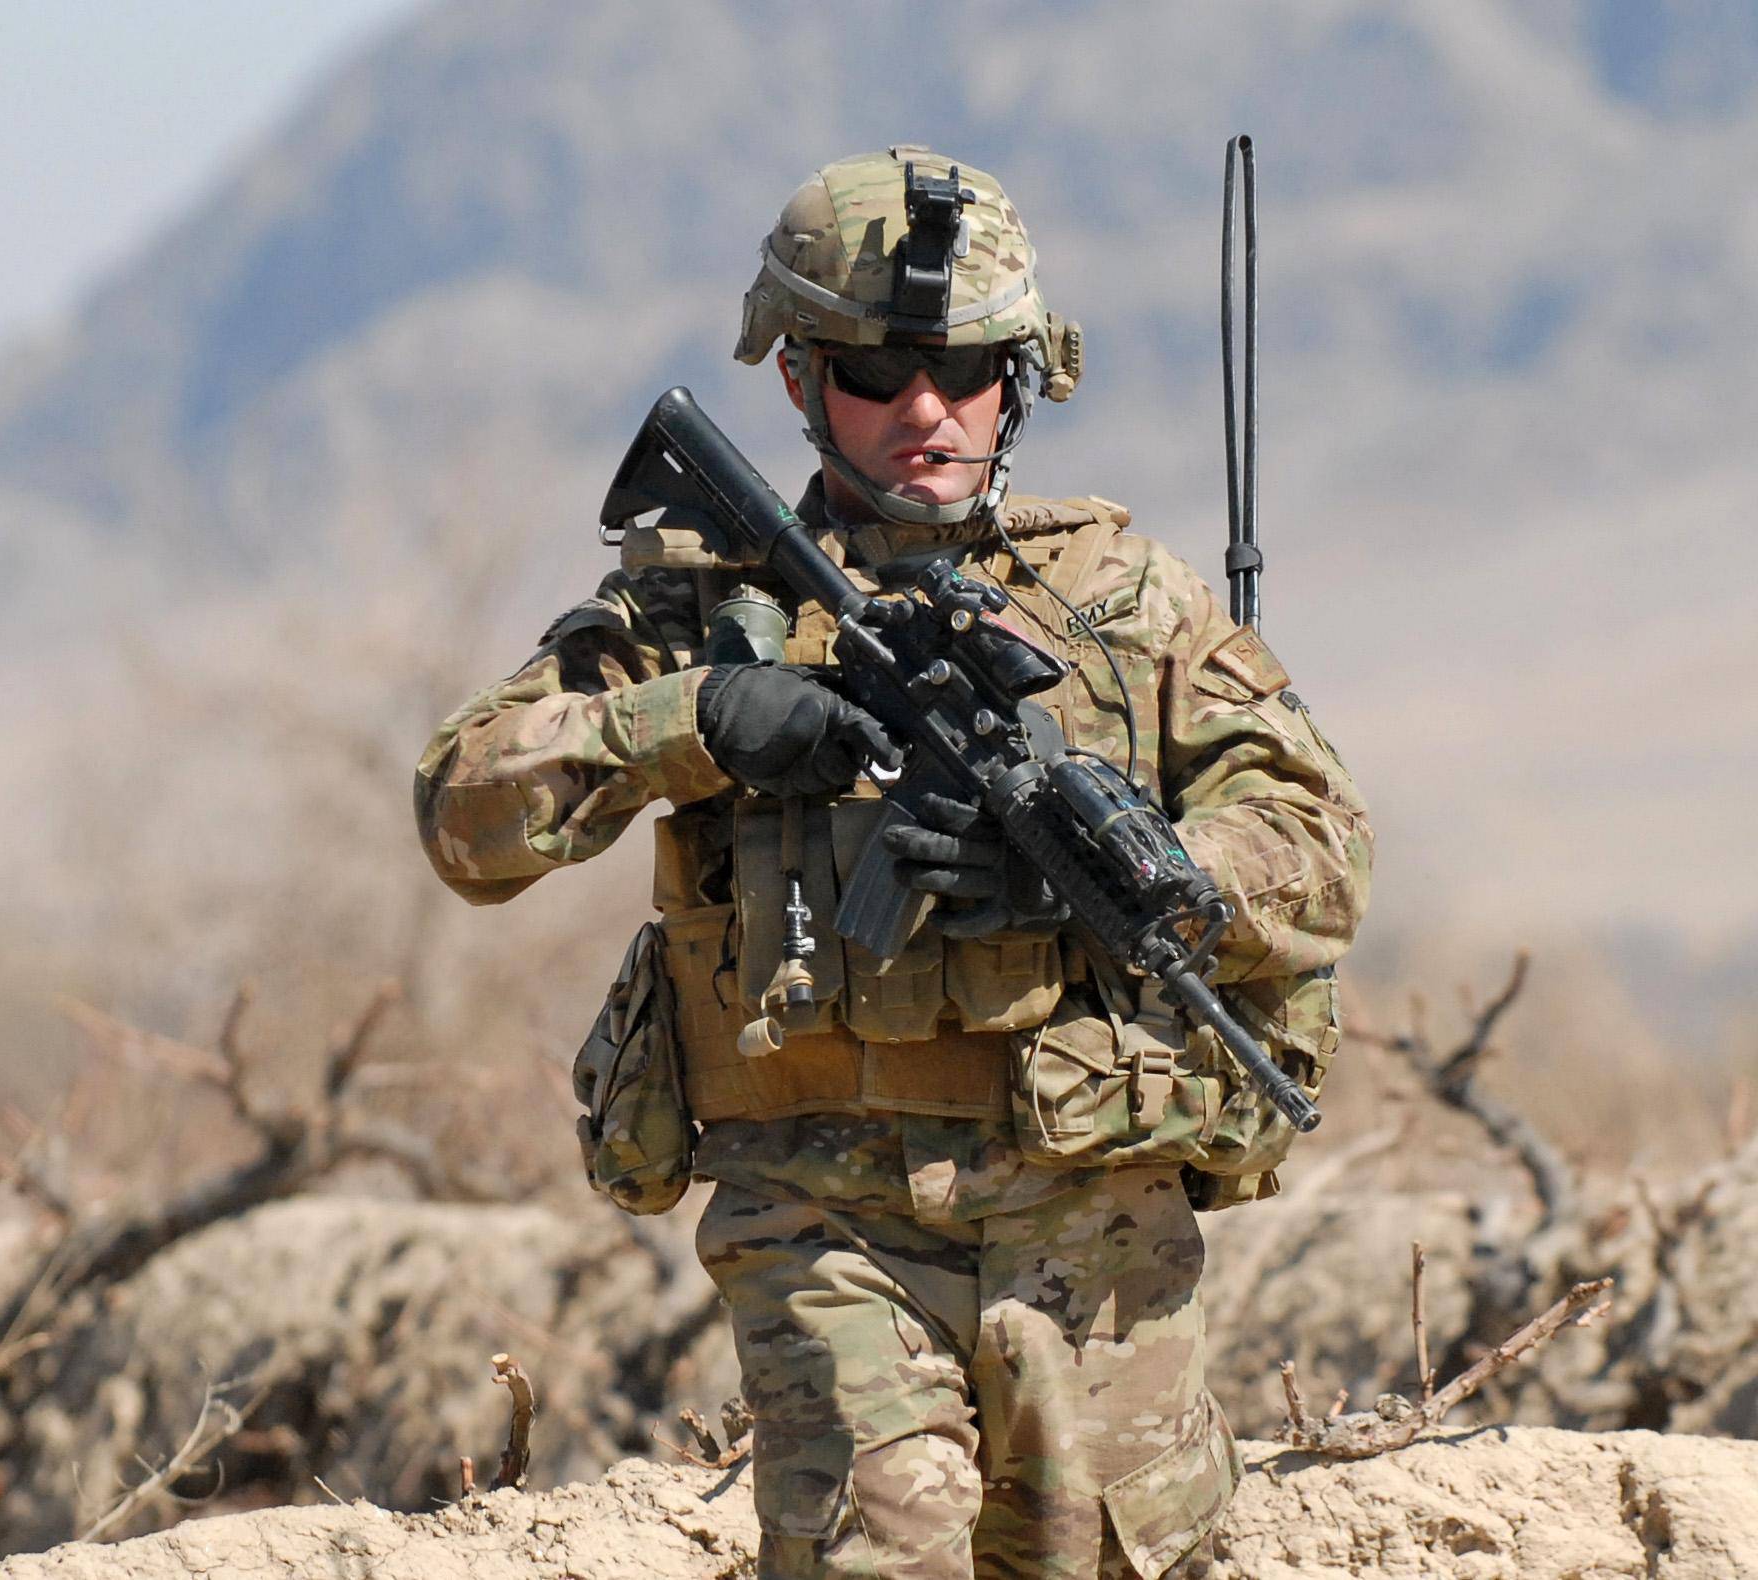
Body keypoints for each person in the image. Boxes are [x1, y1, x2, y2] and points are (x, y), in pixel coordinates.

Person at [414, 147, 1372, 1580]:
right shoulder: (705, 604)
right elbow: (465, 815)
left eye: (969, 366)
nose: (926, 409)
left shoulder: (1127, 598)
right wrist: (696, 721)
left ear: (1026, 375)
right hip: (824, 1212)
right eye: (875, 373)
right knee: (888, 1548)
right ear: (799, 382)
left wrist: (1138, 874)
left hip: (1091, 1204)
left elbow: (1320, 844)